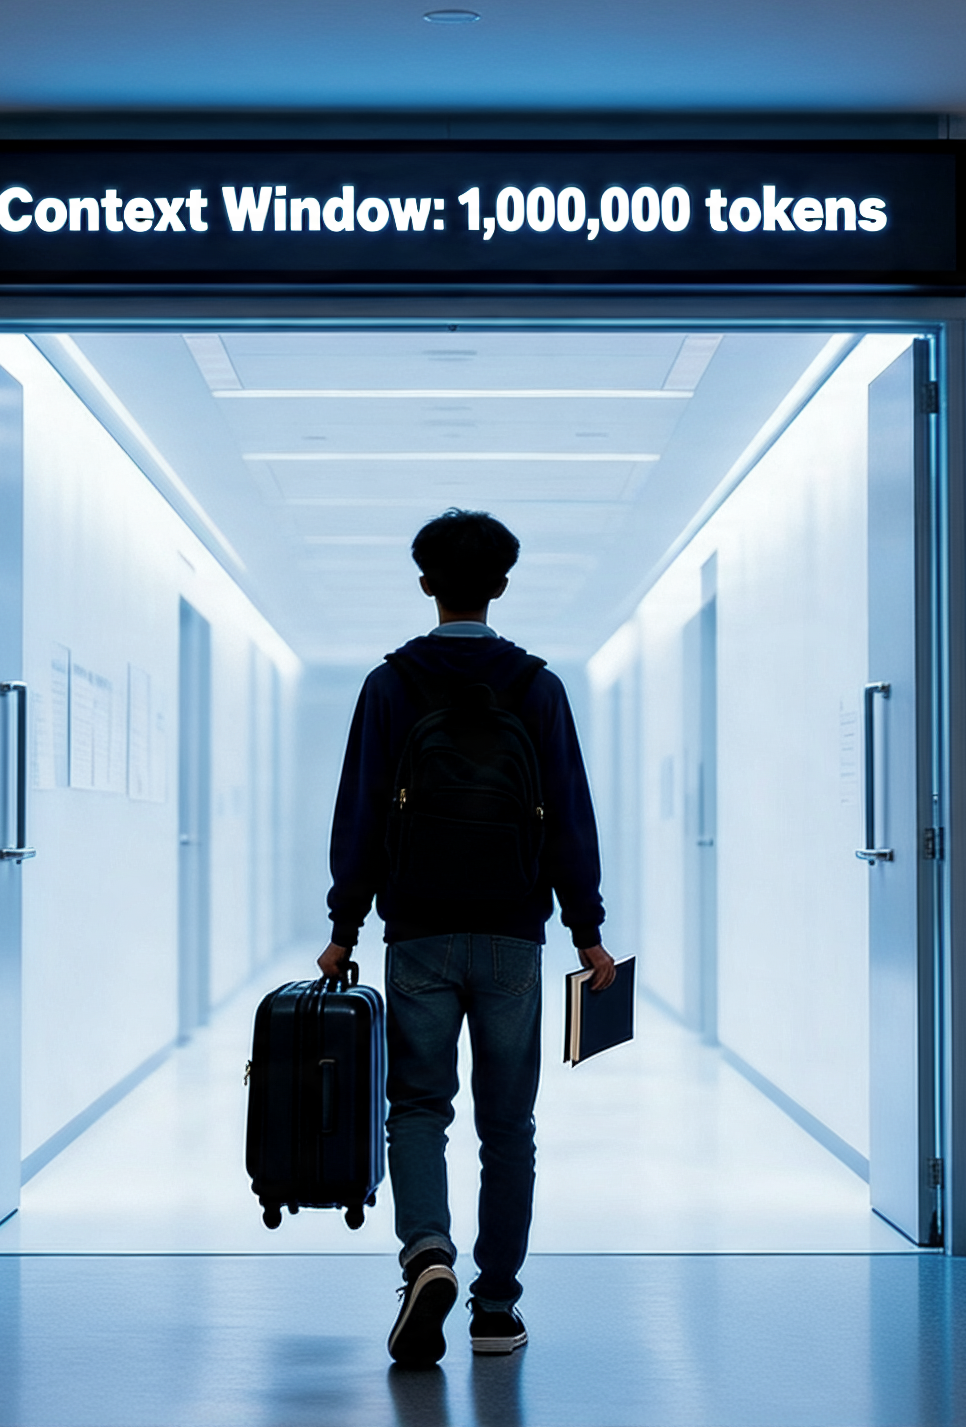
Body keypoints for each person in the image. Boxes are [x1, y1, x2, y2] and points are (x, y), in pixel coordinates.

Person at [320, 508, 612, 1367]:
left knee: (415, 1106)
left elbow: (363, 812)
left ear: (426, 585)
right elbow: (568, 817)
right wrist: (587, 931)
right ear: (503, 585)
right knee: (507, 1123)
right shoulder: (537, 687)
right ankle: (496, 1309)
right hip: (513, 937)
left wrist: (345, 926)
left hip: (416, 932)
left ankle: (427, 1255)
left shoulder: (390, 685)